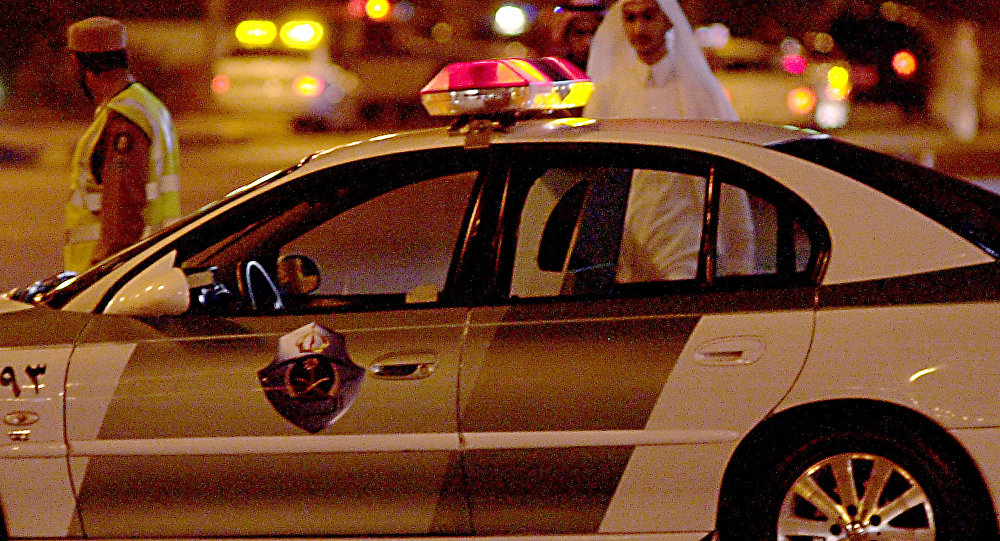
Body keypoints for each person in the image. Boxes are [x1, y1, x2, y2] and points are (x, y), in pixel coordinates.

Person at [583, 0, 755, 281]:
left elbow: (730, 178)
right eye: (630, 18)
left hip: (685, 239)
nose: (639, 28)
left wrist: (738, 254)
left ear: (668, 20)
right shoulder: (607, 94)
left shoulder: (697, 93)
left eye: (648, 17)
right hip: (627, 243)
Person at [63, 16, 180, 274]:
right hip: (148, 262)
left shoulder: (123, 121)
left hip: (118, 272)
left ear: (78, 63)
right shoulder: (146, 105)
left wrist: (100, 274)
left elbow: (122, 213)